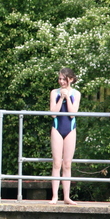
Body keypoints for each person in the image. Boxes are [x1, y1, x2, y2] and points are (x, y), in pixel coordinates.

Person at [50, 68, 81, 204]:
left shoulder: (76, 93)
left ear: (71, 79)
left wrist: (67, 97)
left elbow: (72, 113)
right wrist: (61, 97)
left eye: (64, 79)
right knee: (57, 163)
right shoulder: (54, 92)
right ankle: (55, 196)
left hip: (70, 129)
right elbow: (53, 113)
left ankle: (67, 197)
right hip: (57, 128)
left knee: (67, 164)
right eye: (60, 79)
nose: (61, 81)